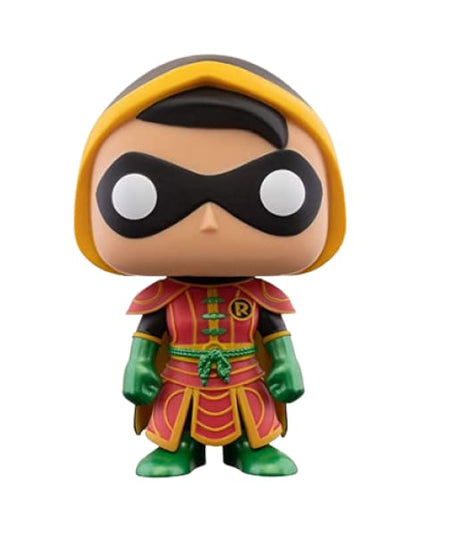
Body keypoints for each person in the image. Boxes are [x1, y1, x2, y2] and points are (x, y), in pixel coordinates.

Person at [74, 55, 346, 476]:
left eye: (271, 190)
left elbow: (274, 332)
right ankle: (178, 447)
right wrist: (138, 364)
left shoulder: (261, 297)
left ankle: (251, 446)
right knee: (175, 415)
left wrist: (287, 362)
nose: (209, 221)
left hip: (245, 377)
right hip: (182, 379)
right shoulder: (161, 297)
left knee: (251, 415)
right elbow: (149, 334)